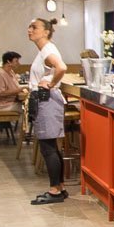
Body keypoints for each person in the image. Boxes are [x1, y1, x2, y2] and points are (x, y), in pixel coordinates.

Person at [26, 18, 69, 205]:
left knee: (48, 147)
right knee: (50, 146)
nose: (29, 30)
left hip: (46, 100)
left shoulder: (48, 50)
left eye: (34, 27)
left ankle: (54, 190)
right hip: (44, 100)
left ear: (46, 32)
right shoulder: (44, 50)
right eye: (29, 27)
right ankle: (59, 186)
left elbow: (62, 67)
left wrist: (50, 84)